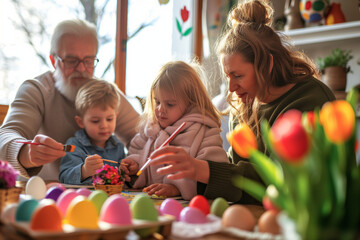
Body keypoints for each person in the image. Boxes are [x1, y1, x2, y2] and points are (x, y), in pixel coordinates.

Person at [145, 0, 336, 204]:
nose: (231, 88)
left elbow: (280, 181)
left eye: (237, 75)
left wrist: (202, 169)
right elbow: (239, 179)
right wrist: (184, 184)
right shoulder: (243, 106)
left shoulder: (311, 101)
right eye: (227, 76)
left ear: (267, 64)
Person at [0, 19, 139, 181]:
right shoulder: (37, 89)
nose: (81, 69)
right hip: (41, 192)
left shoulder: (105, 94)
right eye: (71, 61)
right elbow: (5, 135)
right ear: (53, 61)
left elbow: (142, 136)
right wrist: (25, 152)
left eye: (88, 61)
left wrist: (134, 162)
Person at [121, 61, 229, 200]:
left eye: (170, 104)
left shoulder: (204, 131)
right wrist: (134, 166)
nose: (160, 109)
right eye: (157, 102)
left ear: (191, 102)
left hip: (186, 211)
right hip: (148, 203)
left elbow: (212, 175)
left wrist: (176, 188)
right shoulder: (149, 129)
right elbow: (139, 159)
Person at [59, 80, 126, 185]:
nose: (104, 125)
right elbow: (64, 177)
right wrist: (84, 170)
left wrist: (127, 173)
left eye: (109, 119)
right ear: (81, 122)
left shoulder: (118, 147)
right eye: (95, 121)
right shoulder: (74, 146)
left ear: (116, 117)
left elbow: (125, 181)